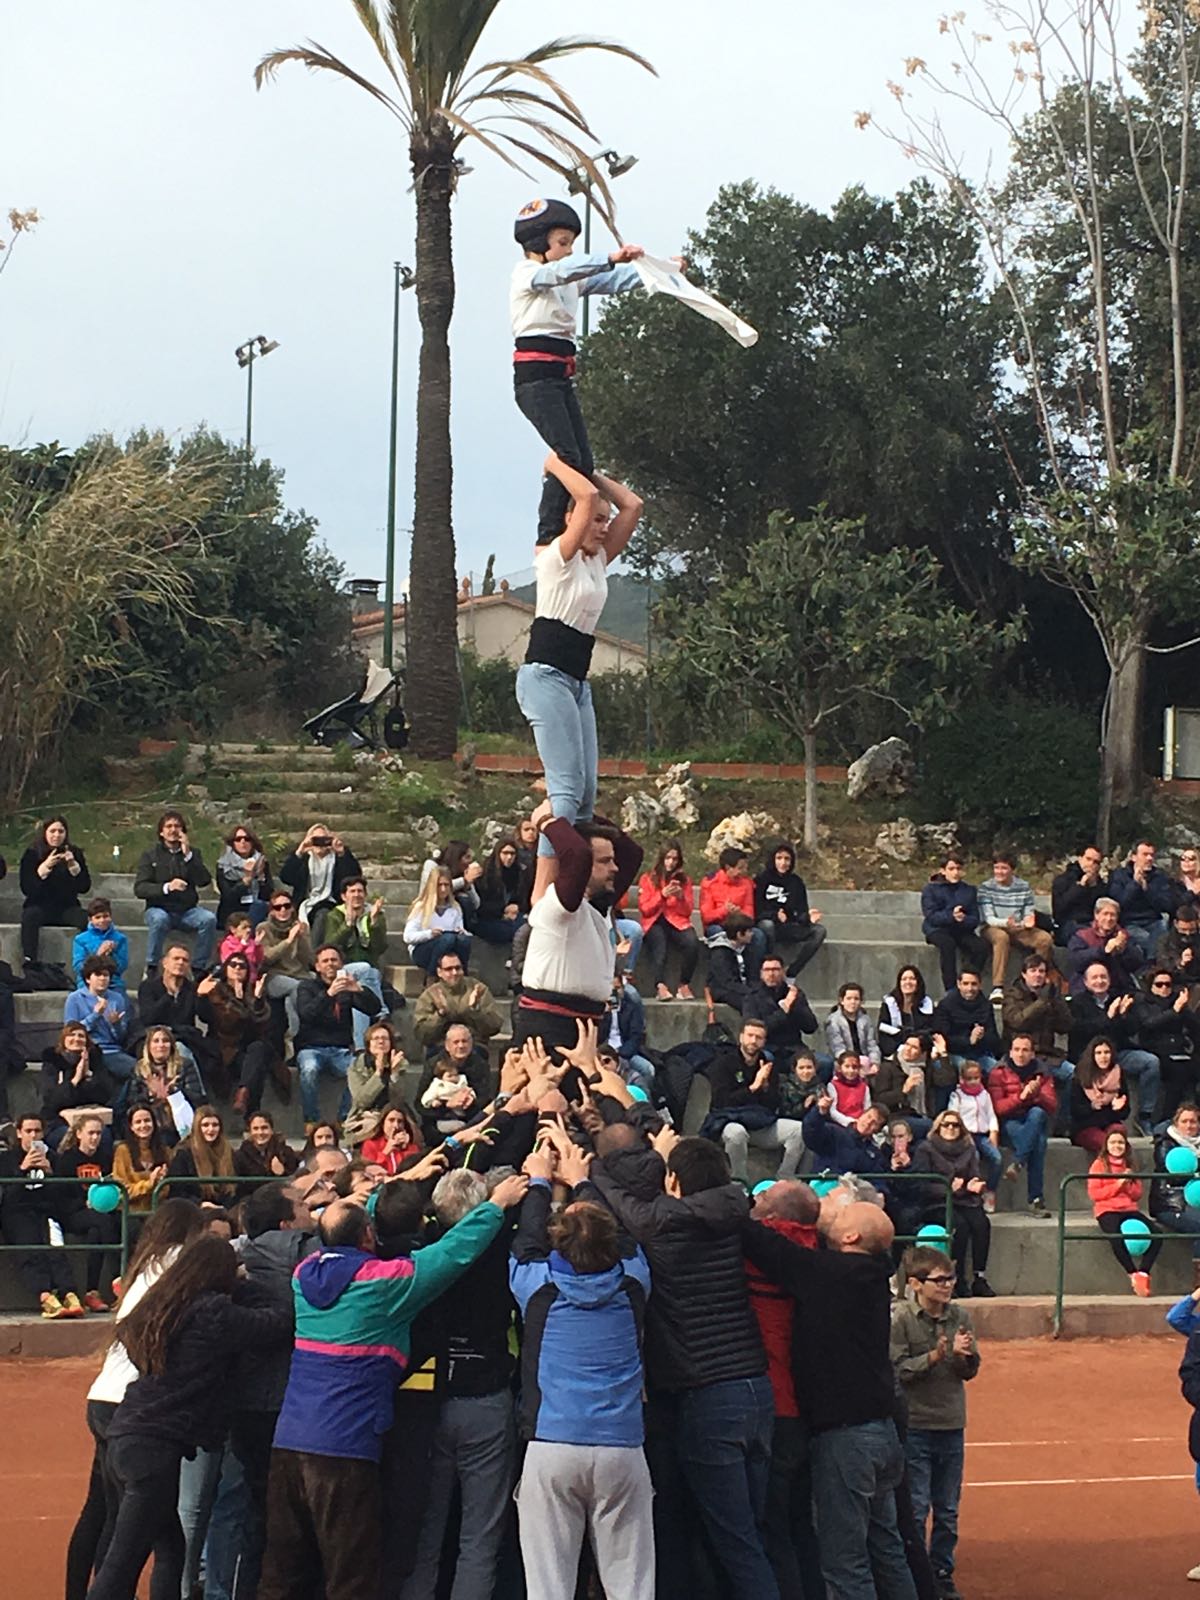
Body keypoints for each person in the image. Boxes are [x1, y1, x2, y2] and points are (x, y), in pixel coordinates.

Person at [257, 1174, 528, 1600]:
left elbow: (348, 1228)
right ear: (368, 1235)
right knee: (351, 1578)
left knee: (282, 1574)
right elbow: (452, 1253)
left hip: (289, 1442)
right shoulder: (386, 1283)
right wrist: (496, 1205)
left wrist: (388, 1192)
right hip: (346, 1450)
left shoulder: (304, 1274)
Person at [588, 1133, 781, 1600]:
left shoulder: (664, 1226)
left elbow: (634, 1211)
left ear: (673, 1180)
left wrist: (590, 1173)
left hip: (709, 1397)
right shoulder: (731, 1213)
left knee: (736, 1544)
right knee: (751, 1533)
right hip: (755, 1390)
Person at [83, 1232, 292, 1600]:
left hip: (127, 1435)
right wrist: (249, 1285)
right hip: (155, 1451)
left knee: (170, 1550)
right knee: (122, 1565)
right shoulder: (214, 1312)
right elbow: (276, 1322)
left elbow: (129, 1333)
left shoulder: (166, 1305)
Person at [741, 1201, 919, 1600]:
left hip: (847, 1439)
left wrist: (731, 1209)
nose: (831, 1216)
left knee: (845, 1562)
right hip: (880, 1432)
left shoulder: (835, 1274)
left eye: (841, 1215)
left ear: (852, 1237)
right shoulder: (867, 1275)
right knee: (887, 1549)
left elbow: (774, 1251)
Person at [510, 1141, 654, 1600]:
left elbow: (526, 1242)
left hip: (552, 1444)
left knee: (548, 1586)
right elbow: (623, 1237)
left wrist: (539, 1181)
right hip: (621, 1445)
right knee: (632, 1585)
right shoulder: (633, 1282)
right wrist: (582, 1181)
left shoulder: (537, 1288)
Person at [64, 1199, 209, 1600]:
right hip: (132, 1409)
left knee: (107, 1514)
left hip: (103, 1399)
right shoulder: (180, 1261)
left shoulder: (146, 1265)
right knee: (142, 1537)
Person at [515, 452, 642, 903]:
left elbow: (634, 506)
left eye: (605, 521)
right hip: (545, 676)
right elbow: (585, 497)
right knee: (565, 792)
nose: (603, 527)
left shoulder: (596, 562)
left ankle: (580, 885)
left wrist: (596, 476)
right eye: (596, 520)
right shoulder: (557, 560)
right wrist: (558, 465)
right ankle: (542, 892)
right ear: (571, 519)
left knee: (586, 796)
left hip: (576, 683)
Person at [395, 1168, 519, 1600]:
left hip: (429, 1403)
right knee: (480, 1536)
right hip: (485, 1398)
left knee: (424, 1532)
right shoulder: (501, 1249)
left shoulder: (422, 1252)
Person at [510, 195, 645, 534]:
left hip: (560, 377)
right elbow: (559, 272)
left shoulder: (569, 279)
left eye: (571, 244)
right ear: (539, 244)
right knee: (567, 455)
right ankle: (548, 532)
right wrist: (609, 257)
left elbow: (614, 281)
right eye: (563, 242)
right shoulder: (528, 274)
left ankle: (568, 524)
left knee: (584, 462)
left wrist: (659, 272)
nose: (569, 250)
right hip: (536, 380)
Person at [742, 1181, 825, 1600]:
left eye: (761, 1200)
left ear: (775, 1217)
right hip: (805, 1409)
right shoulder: (820, 1248)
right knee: (799, 1524)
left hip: (771, 1407)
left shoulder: (761, 1249)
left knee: (770, 1528)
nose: (753, 1203)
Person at [514, 801, 643, 1059]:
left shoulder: (599, 904)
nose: (615, 868)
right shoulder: (559, 907)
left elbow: (632, 853)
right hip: (550, 1026)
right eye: (605, 861)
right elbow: (578, 855)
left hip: (589, 1023)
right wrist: (547, 820)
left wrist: (580, 809)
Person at [890, 1244, 980, 1600]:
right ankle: (914, 1576)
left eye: (951, 1278)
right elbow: (897, 1371)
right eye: (939, 1280)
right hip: (915, 1426)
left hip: (951, 1423)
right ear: (915, 1283)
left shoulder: (960, 1317)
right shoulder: (900, 1320)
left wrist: (962, 1357)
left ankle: (942, 1573)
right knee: (915, 1507)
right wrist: (934, 1357)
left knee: (947, 1510)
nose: (947, 1285)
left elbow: (970, 1371)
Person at [0, 1111, 84, 1317]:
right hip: (17, 1213)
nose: (33, 1135)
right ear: (19, 1133)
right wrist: (23, 1169)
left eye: (37, 1131)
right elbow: (8, 1197)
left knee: (56, 1247)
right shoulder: (7, 1159)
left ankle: (68, 1292)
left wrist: (50, 1175)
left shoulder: (53, 1158)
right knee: (29, 1248)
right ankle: (45, 1296)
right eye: (28, 1131)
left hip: (46, 1211)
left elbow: (62, 1197)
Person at [295, 944, 383, 1132]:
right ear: (317, 966)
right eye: (325, 961)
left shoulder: (347, 988)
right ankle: (311, 1120)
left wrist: (358, 989)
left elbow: (374, 1008)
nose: (330, 964)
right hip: (311, 1048)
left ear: (341, 964)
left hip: (340, 1050)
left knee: (360, 1070)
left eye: (334, 960)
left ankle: (344, 1118)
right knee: (309, 1069)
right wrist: (329, 994)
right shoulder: (307, 987)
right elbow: (307, 1014)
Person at [706, 1019, 807, 1184]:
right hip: (729, 1121)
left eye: (758, 1037)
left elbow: (773, 1106)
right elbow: (721, 1102)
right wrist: (753, 1087)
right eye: (750, 1035)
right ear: (741, 1037)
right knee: (736, 1134)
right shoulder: (723, 1063)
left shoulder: (768, 1065)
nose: (753, 1041)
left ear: (764, 1041)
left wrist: (765, 1087)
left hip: (758, 1123)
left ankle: (784, 1176)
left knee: (798, 1129)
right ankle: (739, 1182)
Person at [1068, 960, 1162, 1133]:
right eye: (1095, 977)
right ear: (1086, 982)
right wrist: (1109, 1017)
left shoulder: (1117, 998)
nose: (1100, 981)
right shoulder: (1077, 1003)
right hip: (1088, 1058)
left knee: (1151, 1062)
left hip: (1118, 1053)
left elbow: (1132, 1029)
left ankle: (1145, 1115)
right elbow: (1081, 1031)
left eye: (1103, 977)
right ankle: (1066, 1123)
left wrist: (1124, 1015)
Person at [913, 1112, 994, 1297]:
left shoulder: (969, 1149)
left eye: (955, 1125)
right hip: (937, 1202)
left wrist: (975, 1184)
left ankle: (979, 1277)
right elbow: (921, 1183)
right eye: (946, 1124)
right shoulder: (926, 1148)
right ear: (938, 1127)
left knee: (982, 1224)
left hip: (966, 1199)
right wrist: (948, 1188)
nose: (950, 1128)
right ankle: (957, 1279)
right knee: (959, 1226)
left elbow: (974, 1174)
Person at [134, 809, 217, 976]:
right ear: (161, 832)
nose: (173, 830)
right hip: (158, 908)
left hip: (187, 911)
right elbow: (140, 888)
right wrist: (167, 887)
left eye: (177, 826)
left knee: (208, 919)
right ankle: (151, 966)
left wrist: (188, 856)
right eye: (169, 826)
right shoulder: (150, 855)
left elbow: (204, 881)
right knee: (159, 919)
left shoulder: (193, 854)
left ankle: (198, 967)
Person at [54, 1115, 122, 1313]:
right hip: (73, 1214)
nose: (95, 1138)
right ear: (79, 1134)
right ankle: (118, 1278)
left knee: (97, 1231)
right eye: (91, 1133)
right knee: (103, 1222)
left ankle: (92, 1292)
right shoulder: (67, 1160)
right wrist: (83, 1203)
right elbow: (60, 1197)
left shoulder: (105, 1158)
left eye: (98, 1133)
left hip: (100, 1215)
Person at [1087, 1125, 1164, 1295]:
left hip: (1129, 1209)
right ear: (1106, 1145)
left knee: (1157, 1235)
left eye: (1120, 1143)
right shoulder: (1099, 1165)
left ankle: (1143, 1272)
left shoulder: (1130, 1165)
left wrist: (1128, 1183)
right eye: (1113, 1142)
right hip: (1107, 1209)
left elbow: (1137, 1194)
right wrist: (1118, 1184)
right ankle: (1132, 1273)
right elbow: (1095, 1194)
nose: (1117, 1146)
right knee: (1116, 1237)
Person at [986, 1034, 1055, 1216]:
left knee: (1037, 1113)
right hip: (1009, 1122)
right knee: (1038, 1143)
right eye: (1016, 1049)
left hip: (1033, 1121)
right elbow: (997, 1108)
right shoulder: (998, 1072)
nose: (1020, 1054)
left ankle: (1018, 1163)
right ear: (1010, 1052)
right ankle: (1036, 1199)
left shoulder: (1042, 1073)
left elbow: (1052, 1105)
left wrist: (1037, 1093)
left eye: (1025, 1050)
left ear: (1032, 1054)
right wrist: (1021, 1097)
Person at [1001, 951, 1074, 1119]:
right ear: (1024, 974)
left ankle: (1064, 1123)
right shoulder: (1012, 995)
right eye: (1033, 971)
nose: (1038, 975)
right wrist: (1041, 1002)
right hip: (1019, 1056)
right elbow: (1017, 1021)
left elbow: (1066, 1026)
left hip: (1047, 1055)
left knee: (1074, 1075)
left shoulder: (1050, 995)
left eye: (1041, 971)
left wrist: (1057, 1000)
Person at [197, 953, 272, 1114]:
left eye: (242, 966)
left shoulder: (253, 991)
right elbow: (225, 1022)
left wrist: (258, 1001)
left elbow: (259, 1028)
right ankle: (251, 1114)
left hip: (245, 1049)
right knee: (256, 1069)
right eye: (233, 964)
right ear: (226, 968)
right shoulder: (216, 990)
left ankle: (243, 1094)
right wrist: (202, 996)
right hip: (222, 1048)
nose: (237, 968)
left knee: (259, 1050)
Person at [978, 852, 1055, 1001]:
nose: (999, 872)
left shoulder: (1023, 886)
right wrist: (1006, 923)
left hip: (1018, 927)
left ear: (1012, 870)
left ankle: (1036, 980)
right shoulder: (986, 888)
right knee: (1001, 937)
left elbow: (1028, 911)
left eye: (1004, 868)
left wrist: (1027, 921)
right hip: (993, 927)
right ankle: (997, 987)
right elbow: (988, 918)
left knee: (1044, 939)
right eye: (997, 868)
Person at [19, 814, 91, 970]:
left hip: (67, 907)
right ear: (45, 832)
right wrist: (44, 868)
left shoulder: (74, 853)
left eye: (61, 831)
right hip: (40, 906)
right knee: (30, 916)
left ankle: (90, 962)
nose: (57, 835)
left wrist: (73, 867)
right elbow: (27, 888)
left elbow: (84, 887)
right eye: (52, 831)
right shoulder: (32, 853)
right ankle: (30, 960)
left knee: (88, 919)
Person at [324, 876, 389, 1042]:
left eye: (360, 891)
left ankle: (360, 1046)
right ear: (344, 896)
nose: (357, 895)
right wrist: (347, 925)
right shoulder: (334, 916)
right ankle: (381, 1011)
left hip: (369, 970)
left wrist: (374, 924)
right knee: (366, 969)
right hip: (342, 968)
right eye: (352, 891)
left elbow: (380, 948)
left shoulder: (375, 915)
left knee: (360, 993)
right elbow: (331, 946)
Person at [278, 824, 363, 944]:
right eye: (316, 839)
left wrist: (342, 854)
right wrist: (299, 852)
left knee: (323, 914)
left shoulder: (337, 858)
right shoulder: (304, 859)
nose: (320, 843)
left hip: (331, 902)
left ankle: (315, 953)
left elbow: (354, 877)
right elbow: (286, 877)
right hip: (306, 903)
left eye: (323, 839)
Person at [754, 839, 826, 978]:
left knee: (819, 931)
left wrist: (808, 917)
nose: (783, 862)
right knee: (767, 925)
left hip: (789, 926)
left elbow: (800, 912)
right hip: (768, 924)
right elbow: (756, 910)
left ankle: (791, 972)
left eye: (787, 859)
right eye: (779, 858)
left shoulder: (796, 882)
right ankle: (768, 968)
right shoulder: (761, 880)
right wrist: (774, 915)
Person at [639, 839, 701, 1001]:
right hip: (654, 921)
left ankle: (684, 984)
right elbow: (645, 909)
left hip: (676, 921)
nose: (671, 862)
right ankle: (660, 986)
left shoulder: (685, 880)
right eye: (668, 858)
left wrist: (681, 898)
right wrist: (662, 895)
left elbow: (687, 912)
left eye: (674, 859)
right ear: (661, 858)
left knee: (692, 942)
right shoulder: (648, 878)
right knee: (659, 942)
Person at [39, 1023, 118, 1150]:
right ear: (63, 1039)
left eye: (81, 1036)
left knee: (104, 1136)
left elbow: (106, 1095)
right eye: (71, 1035)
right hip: (58, 1120)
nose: (76, 1039)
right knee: (68, 1137)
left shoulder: (96, 1061)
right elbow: (51, 1100)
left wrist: (88, 1076)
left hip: (91, 1118)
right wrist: (75, 1080)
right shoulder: (52, 1062)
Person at [1137, 966, 1200, 1118]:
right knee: (1178, 1073)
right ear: (1151, 986)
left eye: (1168, 984)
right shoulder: (1143, 1003)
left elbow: (1195, 1026)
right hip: (1155, 1049)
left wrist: (1184, 1008)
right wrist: (1174, 1011)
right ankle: (1166, 1117)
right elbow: (1149, 1024)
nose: (1164, 988)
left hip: (1180, 1050)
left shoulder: (1177, 1002)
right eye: (1159, 984)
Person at [125, 1026, 206, 1145]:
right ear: (148, 1046)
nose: (161, 1045)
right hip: (152, 1121)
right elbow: (132, 1100)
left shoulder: (185, 1065)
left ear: (172, 1045)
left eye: (165, 1041)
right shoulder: (139, 1068)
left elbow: (197, 1097)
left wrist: (174, 1092)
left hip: (180, 1119)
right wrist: (150, 1094)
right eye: (156, 1041)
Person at [412, 946, 503, 1050]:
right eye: (449, 969)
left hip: (474, 1046)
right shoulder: (430, 995)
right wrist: (440, 1014)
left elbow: (495, 1026)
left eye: (458, 968)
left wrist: (474, 1010)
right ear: (439, 972)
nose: (454, 972)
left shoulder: (478, 989)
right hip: (440, 1047)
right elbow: (421, 1034)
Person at [921, 854, 986, 992]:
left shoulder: (969, 890)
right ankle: (950, 988)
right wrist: (951, 916)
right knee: (947, 945)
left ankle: (968, 978)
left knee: (981, 947)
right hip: (937, 929)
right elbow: (931, 916)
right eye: (951, 869)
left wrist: (963, 919)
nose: (955, 872)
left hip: (961, 929)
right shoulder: (930, 889)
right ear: (943, 871)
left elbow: (975, 918)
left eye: (958, 868)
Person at [64, 957, 137, 1081]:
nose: (102, 978)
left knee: (141, 1070)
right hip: (86, 1050)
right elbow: (70, 1032)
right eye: (98, 975)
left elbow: (121, 1038)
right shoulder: (75, 998)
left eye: (106, 975)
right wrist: (95, 1015)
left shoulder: (117, 999)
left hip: (112, 1051)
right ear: (88, 979)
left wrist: (116, 1024)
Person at [258, 888, 314, 1046]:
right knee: (298, 987)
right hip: (275, 976)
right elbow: (267, 958)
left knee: (295, 994)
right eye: (278, 907)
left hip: (300, 974)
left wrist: (302, 938)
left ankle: (293, 1036)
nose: (283, 910)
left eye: (286, 906)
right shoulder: (264, 928)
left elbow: (309, 959)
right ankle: (298, 1034)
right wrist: (288, 941)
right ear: (272, 910)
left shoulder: (300, 927)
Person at [701, 847, 767, 979]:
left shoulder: (747, 883)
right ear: (728, 868)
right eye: (740, 868)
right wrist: (725, 911)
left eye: (745, 867)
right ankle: (725, 977)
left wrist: (738, 914)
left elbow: (749, 912)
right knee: (720, 935)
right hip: (718, 925)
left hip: (740, 924)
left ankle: (753, 978)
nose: (743, 871)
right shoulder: (710, 883)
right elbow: (707, 916)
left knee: (758, 936)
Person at [1153, 1104, 1200, 1281]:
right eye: (1184, 1121)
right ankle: (1198, 1283)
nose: (1189, 1126)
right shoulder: (1165, 1144)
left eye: (1193, 1121)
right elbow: (1175, 1175)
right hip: (1171, 1204)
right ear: (1176, 1123)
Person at [744, 955, 819, 1065]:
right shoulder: (752, 997)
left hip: (794, 1048)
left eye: (775, 969)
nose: (771, 974)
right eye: (767, 970)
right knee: (766, 1058)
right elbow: (757, 1029)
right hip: (767, 1047)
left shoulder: (794, 993)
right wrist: (784, 1010)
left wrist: (795, 1005)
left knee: (825, 1062)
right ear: (761, 973)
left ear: (783, 972)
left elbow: (811, 1027)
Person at [1110, 839, 1176, 960]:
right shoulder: (1120, 875)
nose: (1149, 858)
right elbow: (1119, 903)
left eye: (1152, 855)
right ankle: (1151, 966)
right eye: (1145, 854)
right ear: (1133, 857)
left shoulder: (1159, 877)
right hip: (1129, 922)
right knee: (1146, 940)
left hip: (1154, 921)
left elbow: (1167, 905)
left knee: (1162, 937)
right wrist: (1135, 884)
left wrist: (1147, 889)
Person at [947, 1060, 1003, 1200]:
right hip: (965, 1136)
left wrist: (993, 1132)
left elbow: (991, 1115)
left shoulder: (985, 1095)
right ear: (962, 1079)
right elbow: (953, 1116)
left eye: (976, 1078)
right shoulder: (957, 1096)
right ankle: (972, 1193)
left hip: (982, 1135)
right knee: (974, 1158)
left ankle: (990, 1191)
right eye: (969, 1078)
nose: (973, 1082)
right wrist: (962, 1134)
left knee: (997, 1158)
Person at [1066, 896, 1144, 994]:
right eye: (1105, 914)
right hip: (1088, 988)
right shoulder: (1082, 936)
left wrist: (1124, 949)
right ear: (1096, 915)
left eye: (1113, 915)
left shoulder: (1124, 936)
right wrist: (1104, 950)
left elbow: (1137, 963)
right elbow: (1076, 960)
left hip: (1118, 986)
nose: (1109, 918)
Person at [405, 868, 473, 977]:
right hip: (423, 949)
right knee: (447, 939)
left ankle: (462, 975)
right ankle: (432, 975)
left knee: (463, 941)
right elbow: (408, 936)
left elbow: (459, 929)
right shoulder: (421, 907)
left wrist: (462, 932)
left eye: (446, 885)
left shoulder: (455, 908)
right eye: (439, 885)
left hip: (448, 947)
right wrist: (429, 934)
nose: (443, 889)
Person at [1068, 1036, 1131, 1152]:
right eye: (1098, 1053)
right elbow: (1075, 1110)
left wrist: (1119, 1108)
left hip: (1110, 1123)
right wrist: (1092, 1106)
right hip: (1086, 1126)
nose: (1103, 1057)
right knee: (1108, 1143)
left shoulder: (1118, 1075)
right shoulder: (1081, 1075)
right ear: (1092, 1056)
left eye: (1107, 1052)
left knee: (1119, 1136)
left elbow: (1125, 1113)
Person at [166, 1105, 238, 1205]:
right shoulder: (183, 1154)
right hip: (193, 1208)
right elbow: (177, 1191)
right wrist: (200, 1204)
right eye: (205, 1125)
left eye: (215, 1125)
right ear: (197, 1127)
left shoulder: (228, 1151)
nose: (211, 1129)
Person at [931, 969, 1002, 1070]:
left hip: (980, 1054)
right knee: (966, 1069)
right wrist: (968, 1040)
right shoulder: (946, 1005)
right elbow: (942, 1037)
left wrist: (982, 1036)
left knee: (997, 1071)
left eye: (974, 984)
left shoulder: (986, 1005)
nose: (970, 988)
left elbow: (994, 1038)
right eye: (965, 984)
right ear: (958, 984)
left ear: (980, 985)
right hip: (954, 1053)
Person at [112, 1105, 172, 1218]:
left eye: (147, 1120)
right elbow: (121, 1190)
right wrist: (149, 1184)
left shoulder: (165, 1151)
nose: (143, 1125)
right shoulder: (123, 1150)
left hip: (158, 1211)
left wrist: (161, 1182)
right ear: (131, 1127)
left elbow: (168, 1189)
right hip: (129, 1213)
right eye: (138, 1122)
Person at [474, 835, 530, 945]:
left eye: (512, 854)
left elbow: (524, 898)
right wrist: (503, 911)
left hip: (514, 915)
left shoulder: (520, 873)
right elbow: (480, 905)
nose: (509, 857)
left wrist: (517, 907)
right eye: (505, 853)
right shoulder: (486, 874)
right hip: (489, 918)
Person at [215, 824, 273, 928]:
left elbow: (268, 894)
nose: (243, 842)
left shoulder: (261, 862)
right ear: (232, 843)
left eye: (247, 839)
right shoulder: (224, 865)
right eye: (238, 839)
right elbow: (228, 896)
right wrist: (246, 880)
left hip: (257, 909)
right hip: (232, 911)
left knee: (259, 906)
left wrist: (260, 878)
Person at [1051, 843, 1109, 945]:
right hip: (1069, 924)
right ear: (1080, 858)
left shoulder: (1100, 884)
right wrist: (1080, 887)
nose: (1091, 864)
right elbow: (1059, 910)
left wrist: (1094, 887)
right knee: (1088, 937)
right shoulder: (1063, 880)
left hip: (1093, 923)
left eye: (1096, 862)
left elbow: (1102, 907)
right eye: (1088, 859)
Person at [824, 981, 882, 1076]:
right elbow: (837, 1048)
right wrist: (855, 1065)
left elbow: (872, 1044)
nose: (853, 1002)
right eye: (849, 998)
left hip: (864, 1060)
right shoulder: (833, 1021)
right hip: (843, 1062)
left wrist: (875, 1063)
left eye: (856, 999)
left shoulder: (865, 1019)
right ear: (842, 1001)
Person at [73, 899, 130, 992]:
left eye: (106, 916)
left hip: (113, 982)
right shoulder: (80, 939)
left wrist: (112, 955)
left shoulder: (120, 938)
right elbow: (78, 967)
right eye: (98, 917)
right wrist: (99, 954)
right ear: (90, 919)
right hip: (87, 982)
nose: (102, 920)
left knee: (119, 998)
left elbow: (122, 966)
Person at [708, 911, 758, 1010]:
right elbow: (726, 982)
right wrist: (749, 991)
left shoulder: (748, 949)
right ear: (739, 934)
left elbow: (752, 975)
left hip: (743, 988)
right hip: (724, 991)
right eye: (749, 931)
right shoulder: (720, 952)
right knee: (749, 1004)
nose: (752, 934)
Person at [880, 966, 936, 1051]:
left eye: (912, 979)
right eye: (904, 979)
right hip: (896, 1052)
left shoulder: (927, 1004)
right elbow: (884, 1034)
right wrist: (901, 1050)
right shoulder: (889, 1004)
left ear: (918, 983)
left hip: (921, 1050)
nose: (908, 982)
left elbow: (931, 1032)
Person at [235, 1109, 301, 1178]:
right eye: (255, 1128)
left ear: (271, 1130)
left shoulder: (286, 1152)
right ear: (250, 1132)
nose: (260, 1132)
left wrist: (282, 1173)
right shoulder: (240, 1156)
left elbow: (295, 1180)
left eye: (264, 1128)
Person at [219, 910, 264, 985]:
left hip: (250, 980)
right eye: (244, 927)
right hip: (232, 981)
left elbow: (258, 961)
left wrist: (257, 946)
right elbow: (230, 960)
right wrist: (242, 944)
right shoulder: (226, 944)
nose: (248, 930)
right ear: (233, 929)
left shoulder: (251, 942)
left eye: (249, 927)